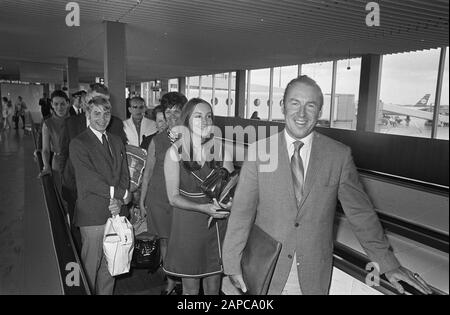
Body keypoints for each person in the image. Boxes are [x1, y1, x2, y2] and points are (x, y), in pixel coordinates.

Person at [222, 75, 432, 295]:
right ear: (283, 106)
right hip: (265, 268)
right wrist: (231, 264)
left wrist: (388, 264)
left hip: (311, 273)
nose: (301, 114)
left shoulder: (338, 156)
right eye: (295, 103)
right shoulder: (259, 151)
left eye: (310, 105)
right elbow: (241, 213)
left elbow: (360, 213)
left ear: (320, 112)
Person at [163, 98, 234, 295]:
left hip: (216, 224)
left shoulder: (220, 150)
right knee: (190, 288)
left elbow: (230, 189)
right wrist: (202, 208)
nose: (205, 121)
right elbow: (173, 197)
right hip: (189, 224)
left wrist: (228, 204)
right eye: (198, 116)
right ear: (187, 120)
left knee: (214, 284)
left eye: (209, 116)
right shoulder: (174, 153)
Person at [69, 96, 130, 295]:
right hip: (93, 215)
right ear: (87, 114)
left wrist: (120, 201)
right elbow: (90, 181)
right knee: (89, 268)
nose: (102, 119)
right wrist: (121, 194)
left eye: (106, 114)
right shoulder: (79, 143)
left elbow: (124, 173)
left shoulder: (116, 140)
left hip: (115, 212)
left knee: (111, 266)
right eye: (96, 113)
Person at [60, 83, 127, 249]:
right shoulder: (71, 123)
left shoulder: (116, 125)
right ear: (86, 102)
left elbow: (121, 161)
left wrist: (120, 197)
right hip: (77, 188)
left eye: (105, 102)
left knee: (111, 257)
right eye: (95, 101)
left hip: (111, 199)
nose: (101, 115)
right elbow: (64, 155)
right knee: (84, 242)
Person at [139, 92, 187, 295]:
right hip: (158, 198)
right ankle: (171, 280)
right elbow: (147, 171)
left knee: (183, 240)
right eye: (168, 111)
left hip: (182, 199)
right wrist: (142, 201)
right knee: (165, 242)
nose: (172, 116)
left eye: (177, 111)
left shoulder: (194, 139)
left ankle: (186, 279)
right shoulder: (156, 140)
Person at [39, 90, 70, 194]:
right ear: (51, 105)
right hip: (58, 163)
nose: (59, 107)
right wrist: (46, 166)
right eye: (56, 104)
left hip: (75, 161)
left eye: (62, 104)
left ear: (67, 103)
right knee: (62, 194)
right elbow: (46, 150)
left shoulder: (75, 121)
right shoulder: (48, 124)